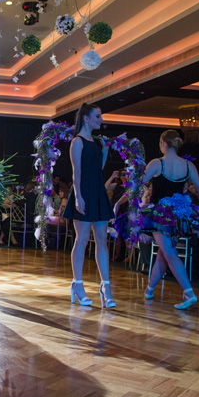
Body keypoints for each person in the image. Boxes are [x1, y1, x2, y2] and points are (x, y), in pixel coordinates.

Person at [140, 130, 199, 309]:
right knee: (163, 254)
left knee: (169, 253)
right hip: (179, 214)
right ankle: (149, 289)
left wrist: (122, 202)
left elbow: (137, 184)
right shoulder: (187, 165)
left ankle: (188, 292)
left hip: (161, 215)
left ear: (162, 142)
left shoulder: (157, 163)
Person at [63, 103, 116, 308]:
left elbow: (97, 170)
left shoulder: (95, 142)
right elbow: (76, 172)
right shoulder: (77, 141)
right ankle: (77, 284)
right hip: (83, 192)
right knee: (82, 239)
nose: (101, 120)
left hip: (98, 192)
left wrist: (105, 151)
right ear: (86, 118)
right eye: (97, 116)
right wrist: (78, 197)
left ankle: (106, 288)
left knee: (102, 240)